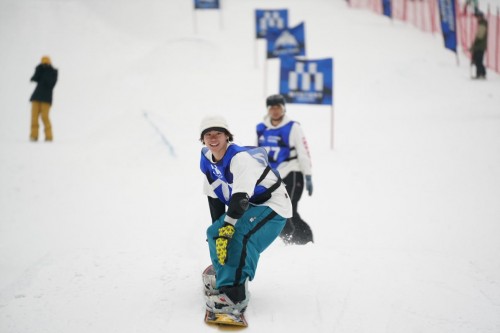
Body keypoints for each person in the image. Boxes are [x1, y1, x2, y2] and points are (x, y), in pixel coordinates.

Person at [199, 115, 292, 315]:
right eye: (208, 134)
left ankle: (234, 294)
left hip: (273, 204)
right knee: (213, 232)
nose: (213, 138)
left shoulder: (239, 158)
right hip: (250, 205)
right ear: (203, 139)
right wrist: (219, 228)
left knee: (237, 234)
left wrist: (228, 228)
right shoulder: (207, 160)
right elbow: (214, 197)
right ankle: (224, 277)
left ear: (227, 137)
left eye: (218, 134)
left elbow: (240, 198)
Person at [256, 94, 313, 245]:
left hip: (292, 172)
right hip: (273, 175)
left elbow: (303, 151)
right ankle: (290, 240)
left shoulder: (293, 127)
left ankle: (301, 240)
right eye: (272, 108)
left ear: (283, 109)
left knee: (290, 209)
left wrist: (308, 175)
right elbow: (257, 153)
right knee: (277, 208)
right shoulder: (261, 128)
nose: (275, 111)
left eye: (278, 107)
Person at [29, 56, 58, 141]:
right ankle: (33, 136)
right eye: (43, 63)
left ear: (50, 62)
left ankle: (49, 136)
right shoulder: (40, 70)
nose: (45, 64)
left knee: (44, 116)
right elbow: (34, 78)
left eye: (46, 63)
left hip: (46, 99)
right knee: (34, 117)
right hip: (36, 97)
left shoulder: (53, 72)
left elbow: (51, 83)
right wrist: (39, 68)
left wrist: (46, 71)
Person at [470, 12, 488, 79]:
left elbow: (480, 36)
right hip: (479, 46)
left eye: (478, 17)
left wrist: (474, 45)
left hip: (480, 46)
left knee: (478, 60)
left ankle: (481, 74)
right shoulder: (481, 24)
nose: (477, 18)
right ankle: (481, 73)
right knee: (477, 60)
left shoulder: (483, 24)